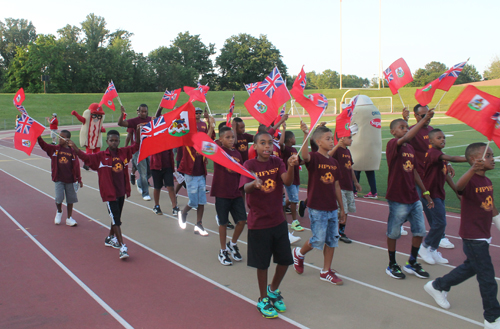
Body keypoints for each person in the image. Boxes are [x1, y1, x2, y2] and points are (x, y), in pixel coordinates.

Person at [424, 142, 500, 329]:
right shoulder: (470, 181)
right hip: (473, 237)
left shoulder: (487, 181)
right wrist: (472, 170)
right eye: (488, 155)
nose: (493, 159)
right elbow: (458, 187)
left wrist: (498, 221)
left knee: (471, 267)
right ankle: (492, 318)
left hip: (483, 234)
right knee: (487, 277)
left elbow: (490, 206)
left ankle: (438, 286)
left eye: (492, 155)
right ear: (475, 160)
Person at [240, 131, 296, 318]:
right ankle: (263, 298)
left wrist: (290, 166)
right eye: (262, 143)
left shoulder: (277, 162)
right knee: (262, 264)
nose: (267, 147)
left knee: (285, 260)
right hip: (259, 223)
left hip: (278, 220)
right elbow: (245, 187)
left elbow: (287, 181)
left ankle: (273, 289)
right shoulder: (249, 165)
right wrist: (253, 184)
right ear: (254, 147)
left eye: (270, 143)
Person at [69, 128, 142, 259]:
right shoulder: (100, 157)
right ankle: (122, 247)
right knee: (117, 219)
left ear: (119, 141)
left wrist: (138, 131)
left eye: (116, 140)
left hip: (121, 191)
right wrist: (75, 148)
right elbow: (86, 157)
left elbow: (136, 146)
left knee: (116, 217)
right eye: (111, 140)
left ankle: (109, 238)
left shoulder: (124, 153)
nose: (114, 142)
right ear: (107, 141)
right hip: (109, 193)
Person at [292, 123, 346, 285]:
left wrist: (342, 208)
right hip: (317, 207)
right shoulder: (314, 157)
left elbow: (336, 185)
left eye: (332, 138)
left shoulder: (334, 163)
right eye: (328, 138)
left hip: (331, 207)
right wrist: (306, 134)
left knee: (332, 240)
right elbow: (305, 156)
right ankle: (299, 253)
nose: (331, 141)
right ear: (318, 142)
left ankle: (326, 271)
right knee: (317, 239)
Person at [385, 110, 435, 280]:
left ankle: (412, 262)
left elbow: (413, 171)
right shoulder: (393, 144)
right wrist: (425, 119)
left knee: (420, 231)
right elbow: (405, 138)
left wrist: (425, 192)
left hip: (413, 197)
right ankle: (392, 264)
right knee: (393, 233)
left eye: (407, 127)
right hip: (398, 197)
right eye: (401, 127)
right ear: (393, 132)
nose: (405, 129)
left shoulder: (411, 149)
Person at [404, 104, 455, 248]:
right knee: (427, 203)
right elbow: (405, 137)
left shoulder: (432, 131)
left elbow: (438, 151)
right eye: (422, 115)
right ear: (416, 116)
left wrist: (448, 164)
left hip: (431, 174)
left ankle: (398, 221)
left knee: (415, 203)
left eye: (428, 115)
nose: (427, 118)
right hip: (417, 175)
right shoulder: (412, 131)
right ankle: (439, 235)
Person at [418, 129, 467, 265]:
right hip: (430, 194)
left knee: (439, 223)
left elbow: (446, 175)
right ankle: (425, 247)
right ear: (431, 141)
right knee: (440, 223)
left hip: (438, 194)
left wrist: (457, 192)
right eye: (439, 138)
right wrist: (470, 158)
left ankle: (432, 249)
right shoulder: (433, 153)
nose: (442, 140)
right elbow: (452, 158)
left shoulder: (440, 156)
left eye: (444, 137)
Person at [211, 126, 247, 265]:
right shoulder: (218, 151)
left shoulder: (237, 154)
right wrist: (215, 141)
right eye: (227, 137)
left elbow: (242, 171)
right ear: (221, 139)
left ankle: (232, 243)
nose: (231, 139)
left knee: (242, 220)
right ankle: (223, 250)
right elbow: (206, 146)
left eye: (232, 137)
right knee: (223, 223)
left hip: (236, 193)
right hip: (222, 193)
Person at [177, 113, 215, 236]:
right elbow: (202, 147)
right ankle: (183, 213)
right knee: (193, 201)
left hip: (201, 174)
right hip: (191, 173)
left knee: (202, 201)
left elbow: (208, 144)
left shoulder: (200, 137)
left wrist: (211, 127)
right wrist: (211, 128)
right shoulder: (188, 140)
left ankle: (199, 224)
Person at [37, 130, 82, 226]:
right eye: (59, 136)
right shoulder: (54, 149)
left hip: (70, 179)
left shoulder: (72, 151)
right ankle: (59, 211)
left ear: (68, 139)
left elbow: (77, 166)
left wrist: (79, 179)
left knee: (70, 199)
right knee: (59, 198)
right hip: (59, 179)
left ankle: (69, 218)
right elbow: (44, 145)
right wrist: (38, 137)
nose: (59, 138)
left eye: (62, 137)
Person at [330, 134, 362, 244]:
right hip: (339, 185)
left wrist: (355, 182)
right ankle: (335, 231)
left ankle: (341, 231)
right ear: (342, 138)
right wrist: (337, 145)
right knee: (341, 209)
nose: (351, 140)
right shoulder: (337, 150)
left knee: (346, 209)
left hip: (348, 186)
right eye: (349, 138)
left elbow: (350, 167)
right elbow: (328, 156)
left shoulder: (347, 151)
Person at [118, 104, 152, 201]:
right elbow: (120, 123)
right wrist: (122, 113)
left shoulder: (151, 120)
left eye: (145, 111)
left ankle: (140, 182)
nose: (143, 113)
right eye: (142, 111)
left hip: (148, 149)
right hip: (137, 150)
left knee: (151, 170)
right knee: (143, 172)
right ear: (139, 112)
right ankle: (145, 193)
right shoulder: (134, 121)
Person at [150, 107, 179, 216]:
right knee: (157, 187)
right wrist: (161, 107)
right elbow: (157, 118)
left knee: (170, 186)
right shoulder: (154, 133)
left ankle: (174, 207)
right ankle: (156, 206)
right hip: (156, 165)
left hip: (167, 165)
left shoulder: (169, 133)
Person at [281, 130, 304, 232]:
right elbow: (281, 144)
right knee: (294, 200)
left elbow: (300, 161)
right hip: (290, 179)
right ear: (290, 139)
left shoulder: (294, 150)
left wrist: (309, 159)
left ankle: (279, 208)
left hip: (296, 179)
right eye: (294, 137)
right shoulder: (285, 149)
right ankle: (295, 222)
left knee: (292, 199)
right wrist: (283, 128)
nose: (295, 139)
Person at [71, 104, 106, 171]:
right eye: (94, 115)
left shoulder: (99, 122)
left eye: (99, 116)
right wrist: (76, 114)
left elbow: (100, 126)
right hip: (89, 139)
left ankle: (96, 163)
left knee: (97, 152)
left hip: (97, 139)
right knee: (89, 152)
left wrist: (102, 129)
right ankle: (86, 163)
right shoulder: (87, 120)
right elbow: (82, 119)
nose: (96, 118)